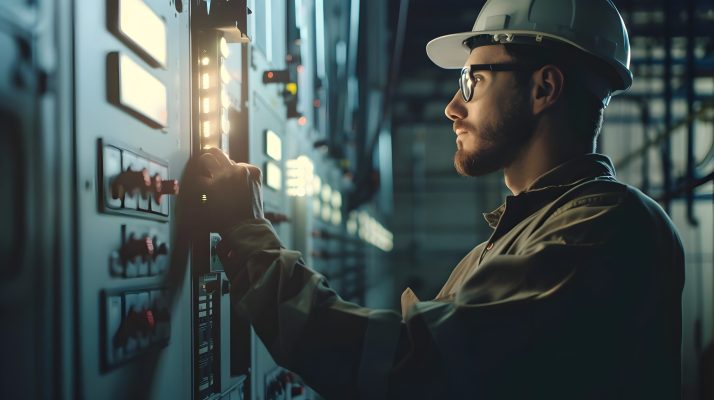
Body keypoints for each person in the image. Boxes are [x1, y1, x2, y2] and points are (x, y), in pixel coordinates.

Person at [180, 0, 684, 398]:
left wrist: (249, 235)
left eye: (474, 80)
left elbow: (407, 367)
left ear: (544, 88)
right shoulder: (516, 239)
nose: (452, 107)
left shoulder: (606, 228)